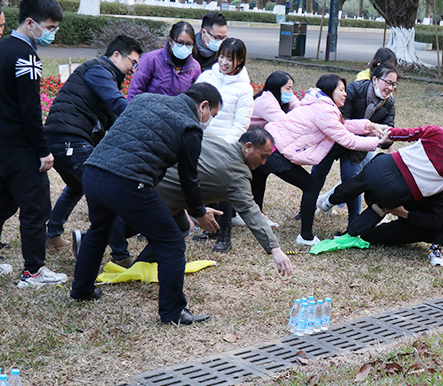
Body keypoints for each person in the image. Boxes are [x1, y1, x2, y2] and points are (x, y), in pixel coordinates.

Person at [70, 83, 223, 326]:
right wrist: (199, 212)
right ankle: (173, 312)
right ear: (203, 106)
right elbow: (189, 179)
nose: (208, 121)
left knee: (99, 231)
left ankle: (81, 290)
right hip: (128, 182)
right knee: (171, 242)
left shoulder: (145, 99)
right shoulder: (190, 128)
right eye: (212, 115)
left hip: (94, 171)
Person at [317, 125, 443, 265]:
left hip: (382, 165)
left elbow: (404, 133)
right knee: (380, 208)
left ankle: (327, 203)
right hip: (397, 191)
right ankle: (352, 232)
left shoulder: (438, 132)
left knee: (356, 184)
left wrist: (388, 135)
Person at [133, 129, 293, 277]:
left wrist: (199, 209)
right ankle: (136, 267)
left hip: (142, 179)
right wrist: (275, 248)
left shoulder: (215, 140)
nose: (264, 162)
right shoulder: (237, 174)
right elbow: (251, 211)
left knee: (179, 228)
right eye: (263, 156)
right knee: (170, 240)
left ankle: (137, 265)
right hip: (154, 199)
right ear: (248, 147)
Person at [43, 36, 142, 265]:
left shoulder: (106, 77)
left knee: (76, 186)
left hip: (63, 139)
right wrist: (142, 118)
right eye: (133, 62)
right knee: (107, 193)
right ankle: (120, 256)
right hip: (70, 139)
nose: (133, 69)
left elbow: (113, 119)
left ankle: (52, 235)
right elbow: (116, 103)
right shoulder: (98, 70)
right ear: (116, 55)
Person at [259, 74, 387, 246]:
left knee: (257, 179)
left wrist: (369, 126)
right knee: (310, 186)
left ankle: (248, 219)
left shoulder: (322, 105)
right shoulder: (325, 111)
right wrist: (378, 142)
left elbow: (342, 125)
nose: (345, 94)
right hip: (273, 152)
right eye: (341, 90)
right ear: (330, 91)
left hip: (266, 145)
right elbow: (348, 139)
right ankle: (305, 236)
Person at [0, 0, 64, 288]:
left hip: (3, 144)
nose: (52, 33)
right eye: (49, 27)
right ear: (30, 23)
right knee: (36, 207)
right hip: (21, 146)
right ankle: (34, 272)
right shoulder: (26, 55)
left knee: (3, 204)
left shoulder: (2, 48)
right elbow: (30, 109)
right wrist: (43, 150)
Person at [311, 63, 398, 229]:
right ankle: (306, 210)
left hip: (357, 146)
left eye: (394, 84)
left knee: (351, 181)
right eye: (388, 82)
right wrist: (372, 129)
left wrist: (387, 136)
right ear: (374, 79)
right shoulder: (355, 89)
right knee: (318, 173)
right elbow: (341, 121)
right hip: (333, 139)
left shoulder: (388, 104)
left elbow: (389, 134)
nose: (390, 88)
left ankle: (353, 222)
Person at [193, 38, 253, 252]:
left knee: (223, 190)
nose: (224, 62)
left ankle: (224, 236)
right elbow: (193, 106)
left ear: (240, 61)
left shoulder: (244, 88)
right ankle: (212, 229)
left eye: (230, 59)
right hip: (200, 140)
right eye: (222, 57)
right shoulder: (206, 77)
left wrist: (222, 146)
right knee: (201, 186)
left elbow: (241, 123)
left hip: (223, 146)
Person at [249, 70, 300, 220]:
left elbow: (298, 107)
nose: (290, 92)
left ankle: (256, 215)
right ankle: (251, 215)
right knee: (251, 180)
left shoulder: (275, 96)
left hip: (258, 144)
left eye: (292, 88)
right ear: (276, 87)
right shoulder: (266, 102)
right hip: (248, 145)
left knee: (258, 178)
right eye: (288, 88)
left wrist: (291, 96)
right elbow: (286, 123)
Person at [359, 188, 443, 266]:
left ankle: (436, 247)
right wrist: (377, 206)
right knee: (369, 237)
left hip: (434, 229)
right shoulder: (403, 177)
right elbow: (371, 189)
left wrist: (403, 213)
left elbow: (435, 222)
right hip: (410, 224)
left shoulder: (441, 185)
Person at [127, 21, 200, 100]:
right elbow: (135, 91)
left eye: (188, 44)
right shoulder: (151, 60)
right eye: (180, 43)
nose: (184, 47)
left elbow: (196, 97)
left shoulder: (195, 68)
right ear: (170, 41)